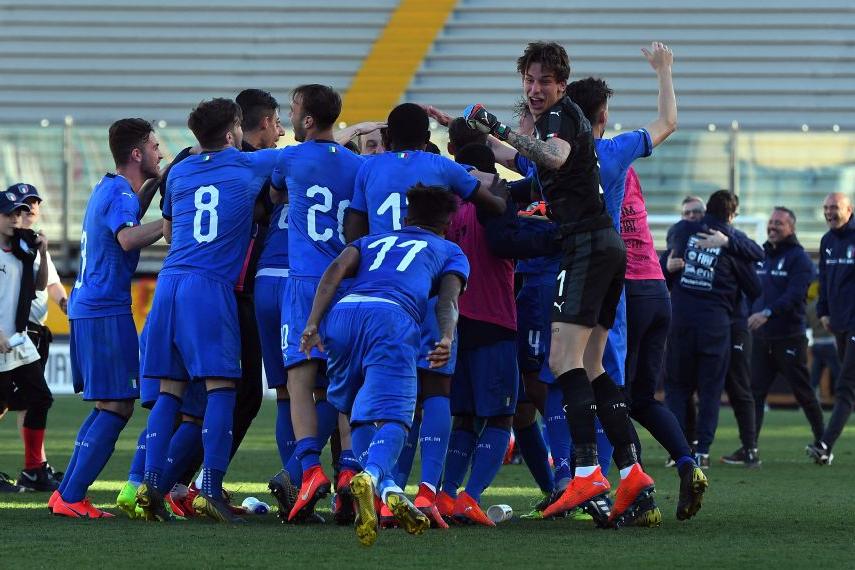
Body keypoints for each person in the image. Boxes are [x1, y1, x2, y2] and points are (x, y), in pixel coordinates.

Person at [464, 41, 654, 527]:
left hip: (586, 246)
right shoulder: (565, 116)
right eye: (528, 80)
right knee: (591, 365)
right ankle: (631, 471)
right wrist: (473, 135)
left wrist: (499, 128)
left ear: (562, 85)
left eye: (543, 81)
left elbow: (548, 157)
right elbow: (528, 160)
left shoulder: (557, 120)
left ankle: (588, 471)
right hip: (609, 247)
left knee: (560, 360)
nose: (533, 89)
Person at [344, 102, 505, 527]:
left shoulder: (369, 169)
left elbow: (353, 232)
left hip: (381, 295)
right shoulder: (441, 167)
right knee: (436, 390)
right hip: (431, 288)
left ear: (391, 137)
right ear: (425, 134)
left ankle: (385, 491)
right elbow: (491, 205)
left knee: (387, 397)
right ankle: (429, 492)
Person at [568, 42, 709, 520]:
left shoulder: (568, 160)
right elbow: (667, 123)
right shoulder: (621, 159)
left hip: (614, 285)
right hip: (655, 289)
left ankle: (631, 492)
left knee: (600, 384)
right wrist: (665, 71)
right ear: (604, 115)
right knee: (643, 398)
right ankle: (688, 462)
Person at [138, 98, 281, 523]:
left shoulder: (179, 171)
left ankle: (150, 484)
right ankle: (211, 489)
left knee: (170, 391)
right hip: (209, 287)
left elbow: (167, 233)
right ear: (231, 131)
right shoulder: (247, 166)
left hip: (168, 284)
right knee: (222, 388)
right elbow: (304, 156)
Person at [300, 183, 467, 546]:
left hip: (342, 316)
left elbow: (334, 270)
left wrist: (313, 322)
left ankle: (388, 488)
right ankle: (373, 474)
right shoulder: (449, 249)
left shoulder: (371, 241)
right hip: (391, 319)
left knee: (355, 411)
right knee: (396, 417)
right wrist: (447, 337)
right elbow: (448, 298)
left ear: (406, 218)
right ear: (446, 225)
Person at [52, 119, 164, 518]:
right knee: (117, 405)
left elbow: (132, 208)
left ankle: (66, 493)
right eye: (154, 147)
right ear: (136, 153)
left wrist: (159, 181)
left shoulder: (108, 187)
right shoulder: (119, 194)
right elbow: (128, 238)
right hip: (105, 309)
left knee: (107, 404)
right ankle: (71, 496)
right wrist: (171, 223)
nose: (160, 152)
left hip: (89, 307)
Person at [266, 84, 365, 523]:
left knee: (298, 383)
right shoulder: (358, 166)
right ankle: (348, 473)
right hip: (346, 283)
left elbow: (273, 194)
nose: (288, 116)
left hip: (306, 283)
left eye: (292, 110)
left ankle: (308, 469)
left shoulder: (290, 158)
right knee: (345, 388)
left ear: (307, 120)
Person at [662, 190, 762, 469]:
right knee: (710, 391)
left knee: (678, 388)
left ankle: (677, 450)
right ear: (731, 216)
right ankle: (703, 451)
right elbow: (756, 282)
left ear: (706, 212)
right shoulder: (731, 248)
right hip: (717, 327)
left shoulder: (680, 233)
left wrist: (669, 267)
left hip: (681, 323)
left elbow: (660, 274)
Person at [747, 207, 825, 459]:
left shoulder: (799, 258)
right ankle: (750, 447)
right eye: (771, 222)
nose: (772, 226)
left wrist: (767, 312)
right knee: (755, 393)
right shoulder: (761, 254)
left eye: (779, 223)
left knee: (802, 392)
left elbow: (794, 296)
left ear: (791, 227)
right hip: (761, 338)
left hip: (788, 337)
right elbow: (751, 290)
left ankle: (823, 442)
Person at [0, 192, 55, 494]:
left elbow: (38, 286)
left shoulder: (23, 248)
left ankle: (34, 470)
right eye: (8, 213)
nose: (15, 218)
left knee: (40, 398)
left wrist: (43, 252)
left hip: (18, 341)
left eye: (18, 213)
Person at [807, 192, 855, 465]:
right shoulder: (827, 241)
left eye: (834, 207)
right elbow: (824, 279)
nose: (829, 212)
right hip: (838, 323)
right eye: (825, 207)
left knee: (846, 385)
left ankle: (824, 444)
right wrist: (824, 311)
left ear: (849, 209)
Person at [807, 281, 841, 394]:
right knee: (839, 374)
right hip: (830, 342)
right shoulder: (832, 305)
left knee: (815, 376)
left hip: (816, 343)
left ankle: (810, 400)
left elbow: (806, 324)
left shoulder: (810, 306)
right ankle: (843, 400)